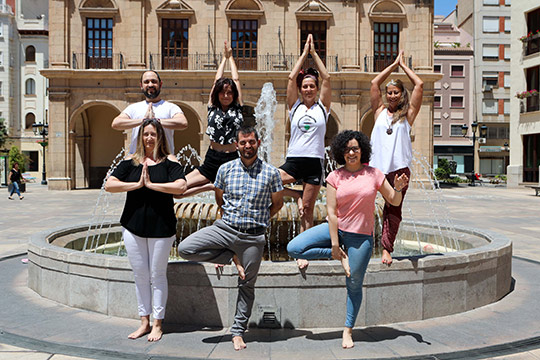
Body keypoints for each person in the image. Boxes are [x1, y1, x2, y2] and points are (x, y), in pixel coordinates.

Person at [287, 130, 408, 349]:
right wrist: (334, 246)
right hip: (337, 229)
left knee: (354, 284)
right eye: (347, 149)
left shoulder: (374, 174)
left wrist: (398, 188)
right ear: (341, 152)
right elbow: (331, 213)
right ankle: (340, 257)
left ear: (362, 150)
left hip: (361, 237)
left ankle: (348, 330)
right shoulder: (335, 176)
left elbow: (394, 200)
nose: (351, 152)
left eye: (355, 148)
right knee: (294, 247)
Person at [178, 126, 283, 351]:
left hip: (253, 237)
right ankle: (230, 255)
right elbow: (220, 199)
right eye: (243, 142)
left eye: (251, 142)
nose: (247, 146)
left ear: (258, 142)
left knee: (246, 285)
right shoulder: (225, 170)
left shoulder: (271, 173)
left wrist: (261, 219)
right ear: (236, 145)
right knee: (185, 248)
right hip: (225, 229)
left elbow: (278, 204)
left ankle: (237, 331)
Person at [105, 119, 187, 342]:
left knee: (157, 275)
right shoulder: (130, 162)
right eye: (146, 134)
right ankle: (144, 322)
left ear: (160, 136)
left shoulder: (170, 162)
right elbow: (109, 184)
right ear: (140, 136)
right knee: (140, 275)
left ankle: (158, 324)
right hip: (133, 227)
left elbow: (181, 186)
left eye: (153, 134)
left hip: (162, 227)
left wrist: (152, 186)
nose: (149, 138)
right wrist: (136, 185)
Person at [279, 34, 331, 269]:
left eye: (312, 86)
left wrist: (315, 54)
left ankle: (303, 251)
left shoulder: (323, 108)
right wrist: (304, 52)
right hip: (294, 161)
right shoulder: (295, 107)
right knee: (269, 181)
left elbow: (328, 76)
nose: (308, 89)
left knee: (307, 212)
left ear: (316, 89)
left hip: (314, 163)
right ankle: (296, 195)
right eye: (305, 86)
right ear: (300, 89)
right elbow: (291, 77)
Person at [369, 50, 423, 265]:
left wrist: (404, 67)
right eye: (389, 92)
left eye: (395, 92)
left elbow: (418, 85)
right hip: (376, 168)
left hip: (399, 169)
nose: (392, 95)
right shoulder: (379, 111)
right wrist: (393, 65)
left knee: (393, 210)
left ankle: (386, 249)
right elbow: (374, 83)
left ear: (402, 94)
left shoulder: (408, 114)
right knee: (362, 202)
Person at [178, 41, 244, 198]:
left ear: (234, 94)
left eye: (229, 93)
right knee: (178, 189)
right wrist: (223, 59)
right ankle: (210, 186)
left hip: (232, 160)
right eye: (222, 92)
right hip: (211, 160)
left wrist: (231, 58)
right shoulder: (212, 107)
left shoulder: (238, 108)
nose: (226, 95)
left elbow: (236, 80)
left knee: (228, 202)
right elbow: (216, 81)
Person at [112, 70, 188, 154]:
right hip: (138, 162)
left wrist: (156, 121)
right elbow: (116, 123)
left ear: (160, 84)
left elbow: (183, 123)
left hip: (164, 162)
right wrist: (143, 121)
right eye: (146, 82)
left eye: (154, 81)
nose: (150, 85)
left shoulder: (171, 107)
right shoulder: (133, 108)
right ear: (141, 85)